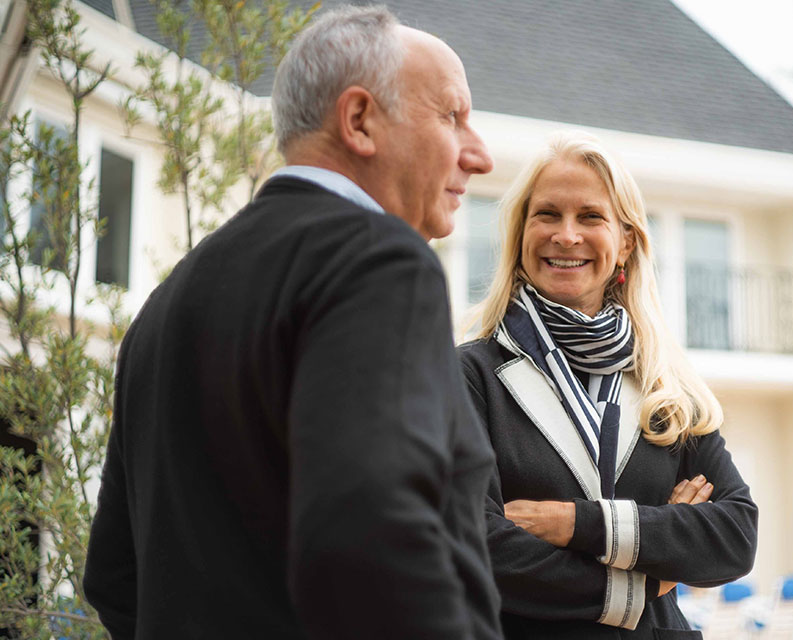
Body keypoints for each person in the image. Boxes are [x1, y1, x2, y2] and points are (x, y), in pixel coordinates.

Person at [83, 6, 502, 639]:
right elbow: (373, 540)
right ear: (359, 121)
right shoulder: (376, 262)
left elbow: (115, 578)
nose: (480, 155)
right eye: (452, 116)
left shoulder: (164, 306)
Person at [458, 132, 758, 638]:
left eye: (590, 217)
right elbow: (478, 545)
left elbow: (735, 537)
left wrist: (576, 523)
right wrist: (646, 574)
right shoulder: (472, 375)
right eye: (547, 214)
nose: (566, 235)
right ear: (521, 234)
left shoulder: (666, 388)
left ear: (625, 243)